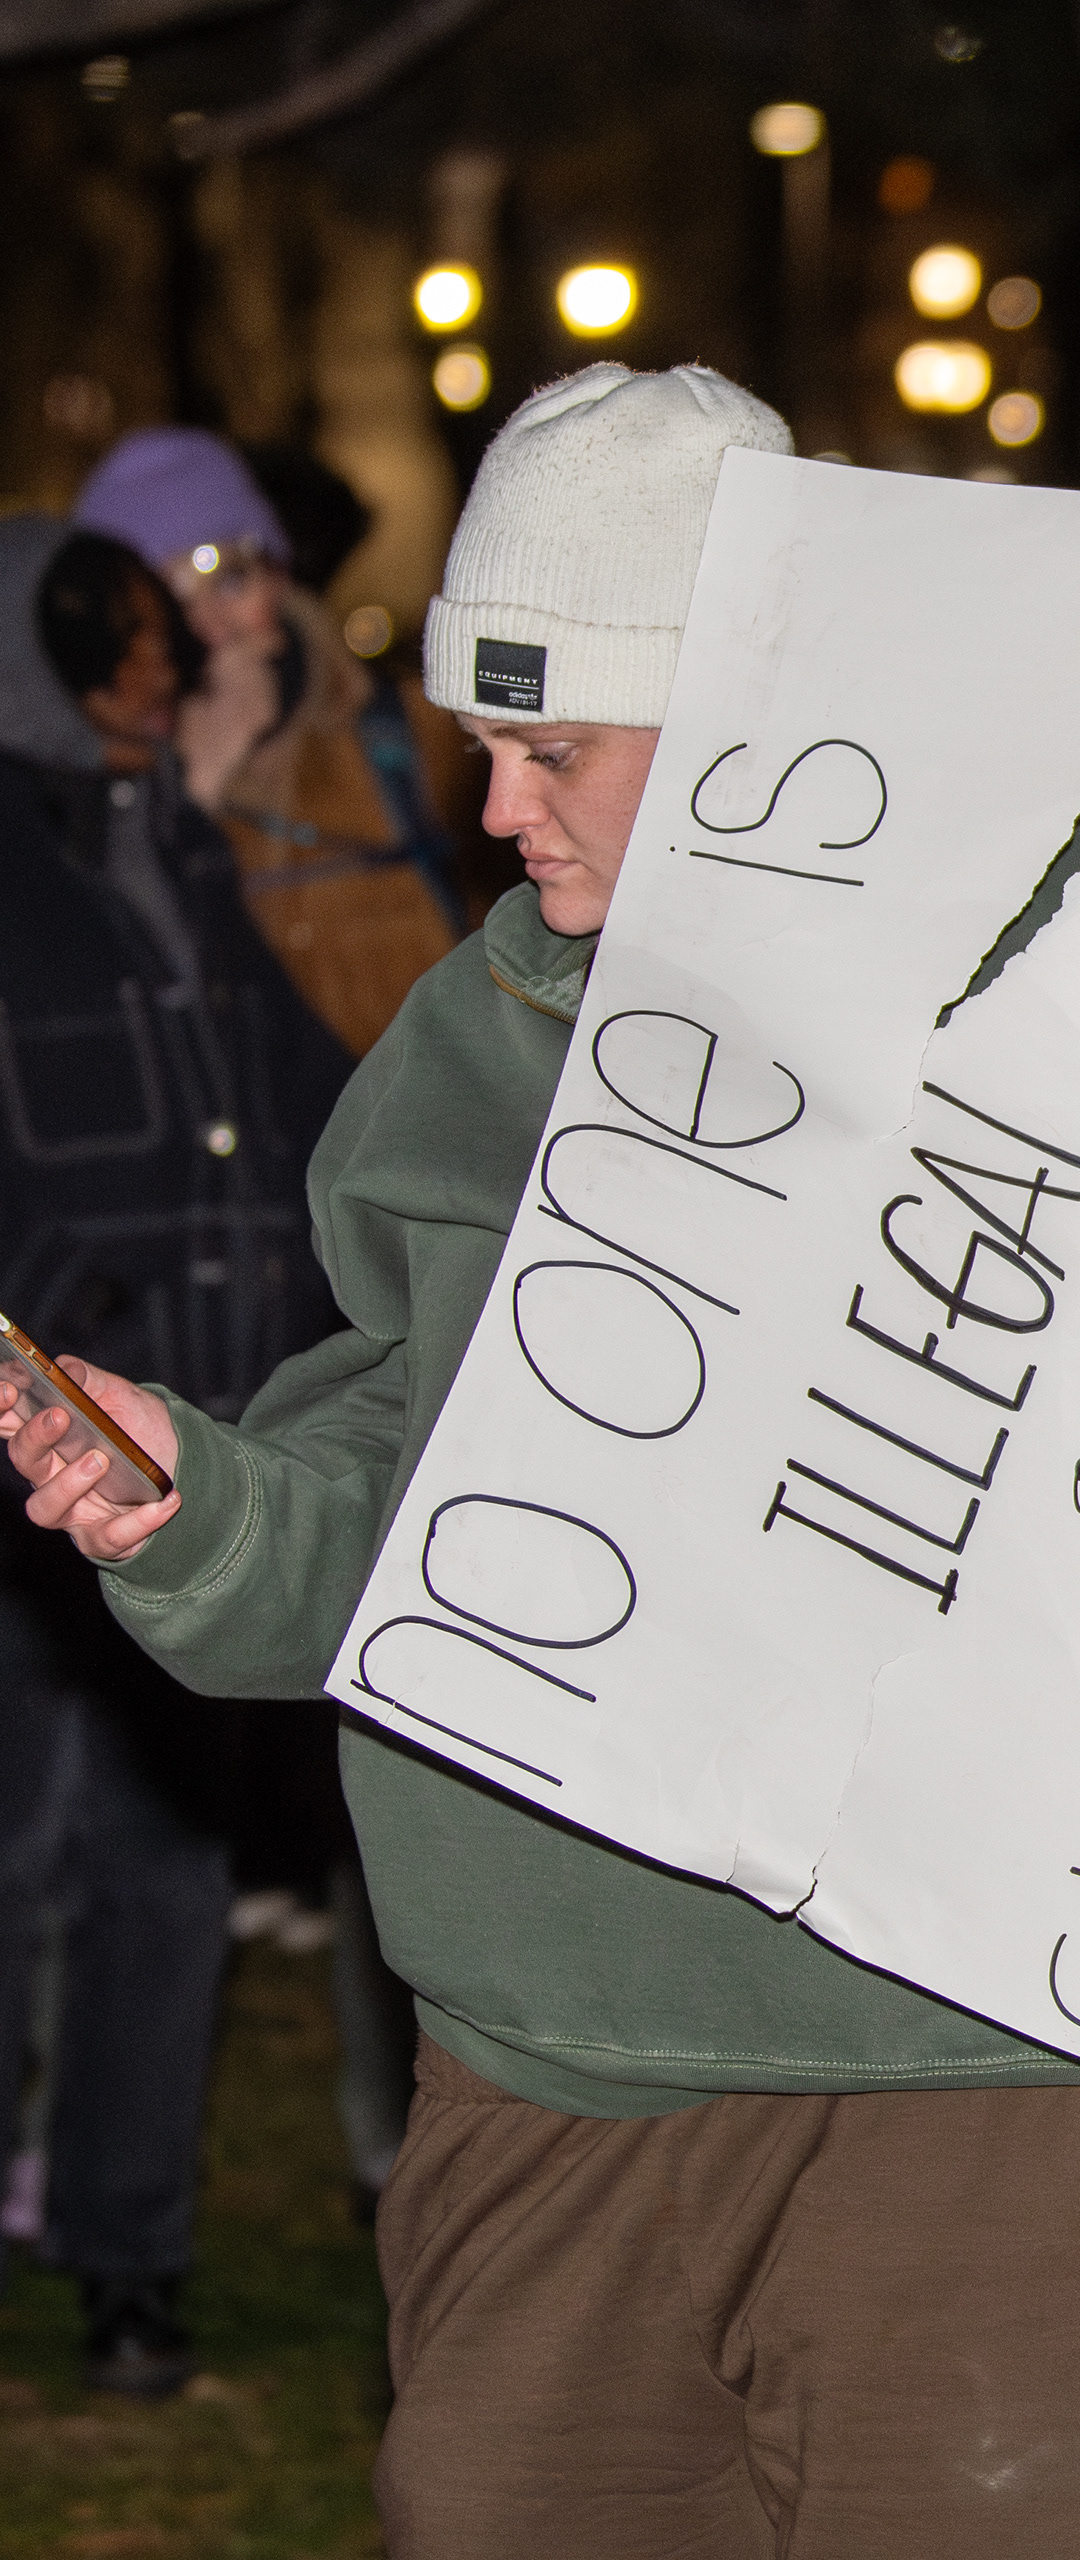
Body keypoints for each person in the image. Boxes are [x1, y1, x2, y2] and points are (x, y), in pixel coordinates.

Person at [2, 362, 1080, 2550]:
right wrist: (199, 1514)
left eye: (551, 744)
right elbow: (404, 1481)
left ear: (750, 709)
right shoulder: (473, 1039)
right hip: (545, 2082)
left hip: (983, 2098)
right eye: (483, 746)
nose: (496, 812)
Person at [0, 513, 358, 2396]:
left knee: (157, 1869)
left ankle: (130, 2266)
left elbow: (307, 1103)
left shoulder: (184, 854)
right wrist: (63, 1310)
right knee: (12, 1855)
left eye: (158, 632)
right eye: (107, 638)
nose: (154, 671)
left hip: (195, 1466)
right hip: (25, 1474)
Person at [75, 427, 463, 1057]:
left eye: (229, 577)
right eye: (165, 598)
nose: (207, 624)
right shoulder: (92, 792)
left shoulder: (409, 736)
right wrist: (193, 788)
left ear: (279, 580)